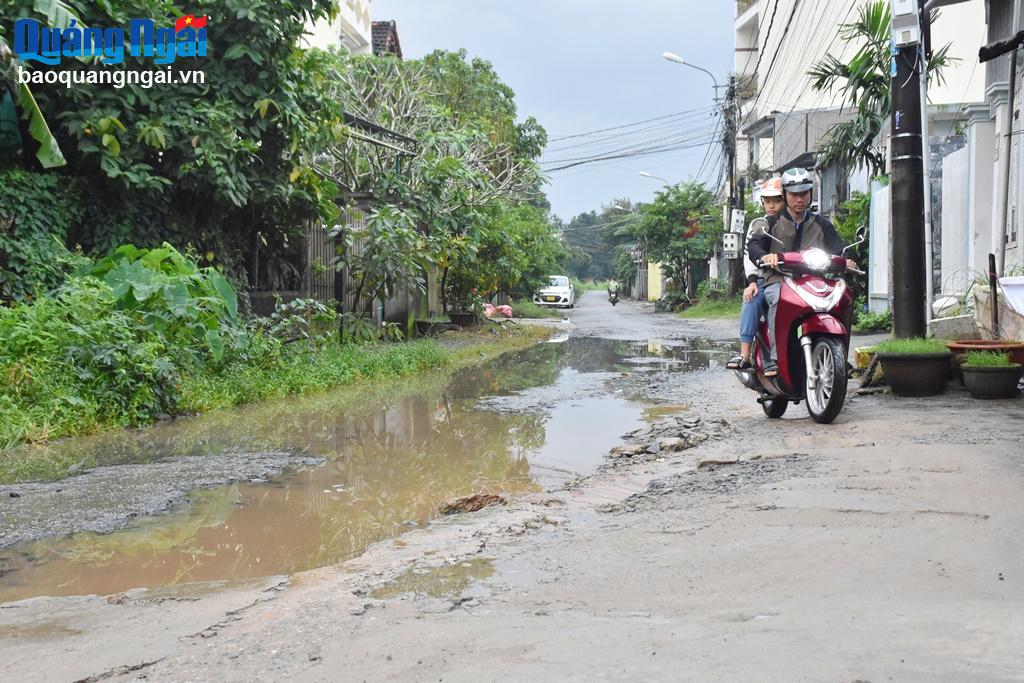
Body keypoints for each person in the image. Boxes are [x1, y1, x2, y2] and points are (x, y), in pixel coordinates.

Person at [747, 168, 856, 378]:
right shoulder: (771, 223)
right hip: (779, 278)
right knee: (776, 299)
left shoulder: (821, 224)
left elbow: (838, 247)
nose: (799, 198)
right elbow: (755, 244)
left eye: (804, 193)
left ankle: (841, 354)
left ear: (810, 194)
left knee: (845, 297)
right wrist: (765, 256)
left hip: (813, 278)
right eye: (794, 194)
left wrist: (847, 259)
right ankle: (774, 359)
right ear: (785, 195)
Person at [726, 177, 784, 370]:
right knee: (751, 299)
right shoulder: (759, 225)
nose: (772, 206)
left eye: (776, 200)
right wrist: (751, 282)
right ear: (762, 203)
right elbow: (748, 255)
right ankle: (745, 354)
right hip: (763, 278)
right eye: (768, 201)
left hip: (790, 278)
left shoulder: (795, 223)